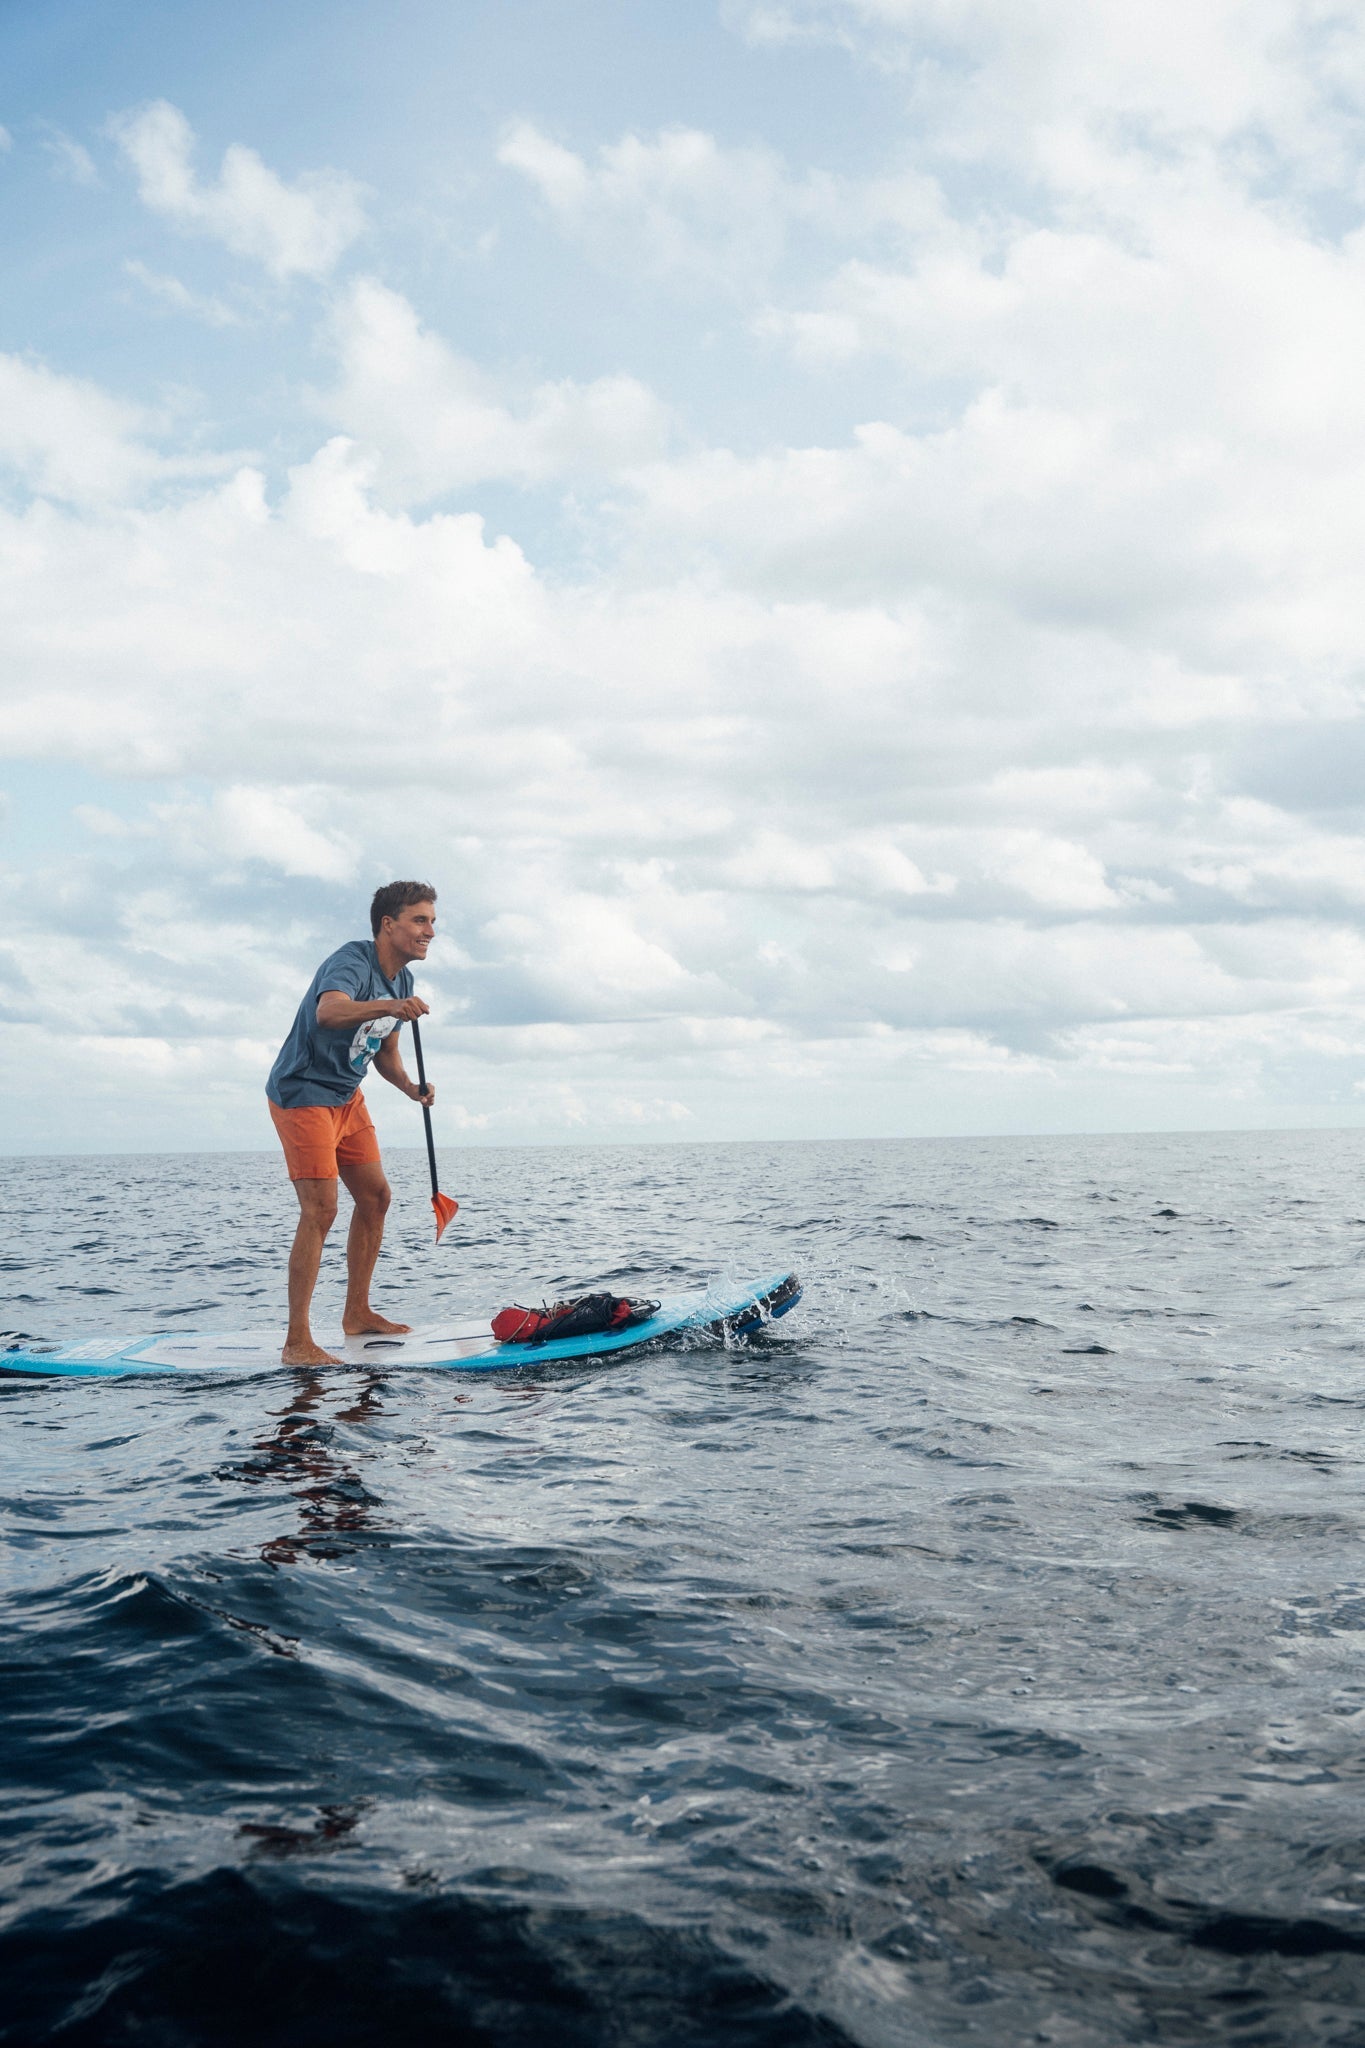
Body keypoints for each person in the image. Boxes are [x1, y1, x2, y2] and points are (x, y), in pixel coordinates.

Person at [266, 881, 438, 1366]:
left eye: (432, 921)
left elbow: (384, 1052)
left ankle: (356, 1312)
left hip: (346, 1096)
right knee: (320, 1209)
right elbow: (329, 1012)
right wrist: (388, 1006)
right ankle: (297, 1341)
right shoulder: (353, 960)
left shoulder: (400, 980)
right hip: (302, 1094)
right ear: (389, 924)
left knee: (376, 1196)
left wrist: (410, 1088)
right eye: (420, 920)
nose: (430, 931)